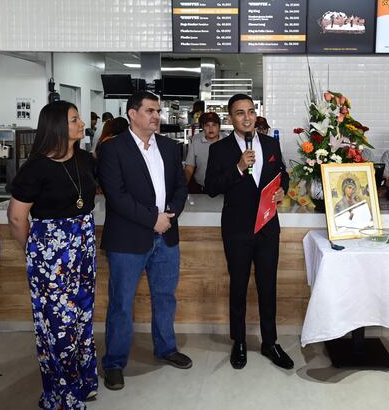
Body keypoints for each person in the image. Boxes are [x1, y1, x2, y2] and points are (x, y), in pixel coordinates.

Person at [7, 101, 99, 409]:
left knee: (83, 318)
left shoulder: (86, 159)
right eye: (74, 119)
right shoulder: (35, 168)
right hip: (51, 253)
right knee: (59, 324)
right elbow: (17, 218)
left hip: (84, 246)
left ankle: (85, 382)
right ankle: (63, 394)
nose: (82, 123)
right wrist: (34, 252)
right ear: (57, 126)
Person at [98, 91, 191, 391]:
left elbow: (180, 185)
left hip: (167, 235)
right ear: (132, 114)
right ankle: (113, 362)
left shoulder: (168, 146)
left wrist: (170, 215)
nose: (156, 116)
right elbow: (117, 195)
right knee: (122, 303)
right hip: (128, 239)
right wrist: (154, 219)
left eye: (158, 111)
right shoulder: (112, 150)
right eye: (150, 110)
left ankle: (166, 348)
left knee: (165, 297)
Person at [204, 94, 292, 371]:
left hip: (267, 227)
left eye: (251, 112)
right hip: (237, 228)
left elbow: (283, 173)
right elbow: (211, 187)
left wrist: (283, 190)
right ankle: (239, 341)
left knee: (268, 286)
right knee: (239, 286)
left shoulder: (270, 143)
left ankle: (270, 342)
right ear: (231, 119)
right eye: (240, 113)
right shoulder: (220, 150)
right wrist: (239, 168)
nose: (247, 117)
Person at [184, 111, 223, 193]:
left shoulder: (227, 142)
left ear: (219, 127)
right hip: (201, 189)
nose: (211, 129)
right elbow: (189, 168)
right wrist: (182, 188)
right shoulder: (196, 143)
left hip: (224, 190)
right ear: (203, 127)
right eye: (207, 125)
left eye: (214, 125)